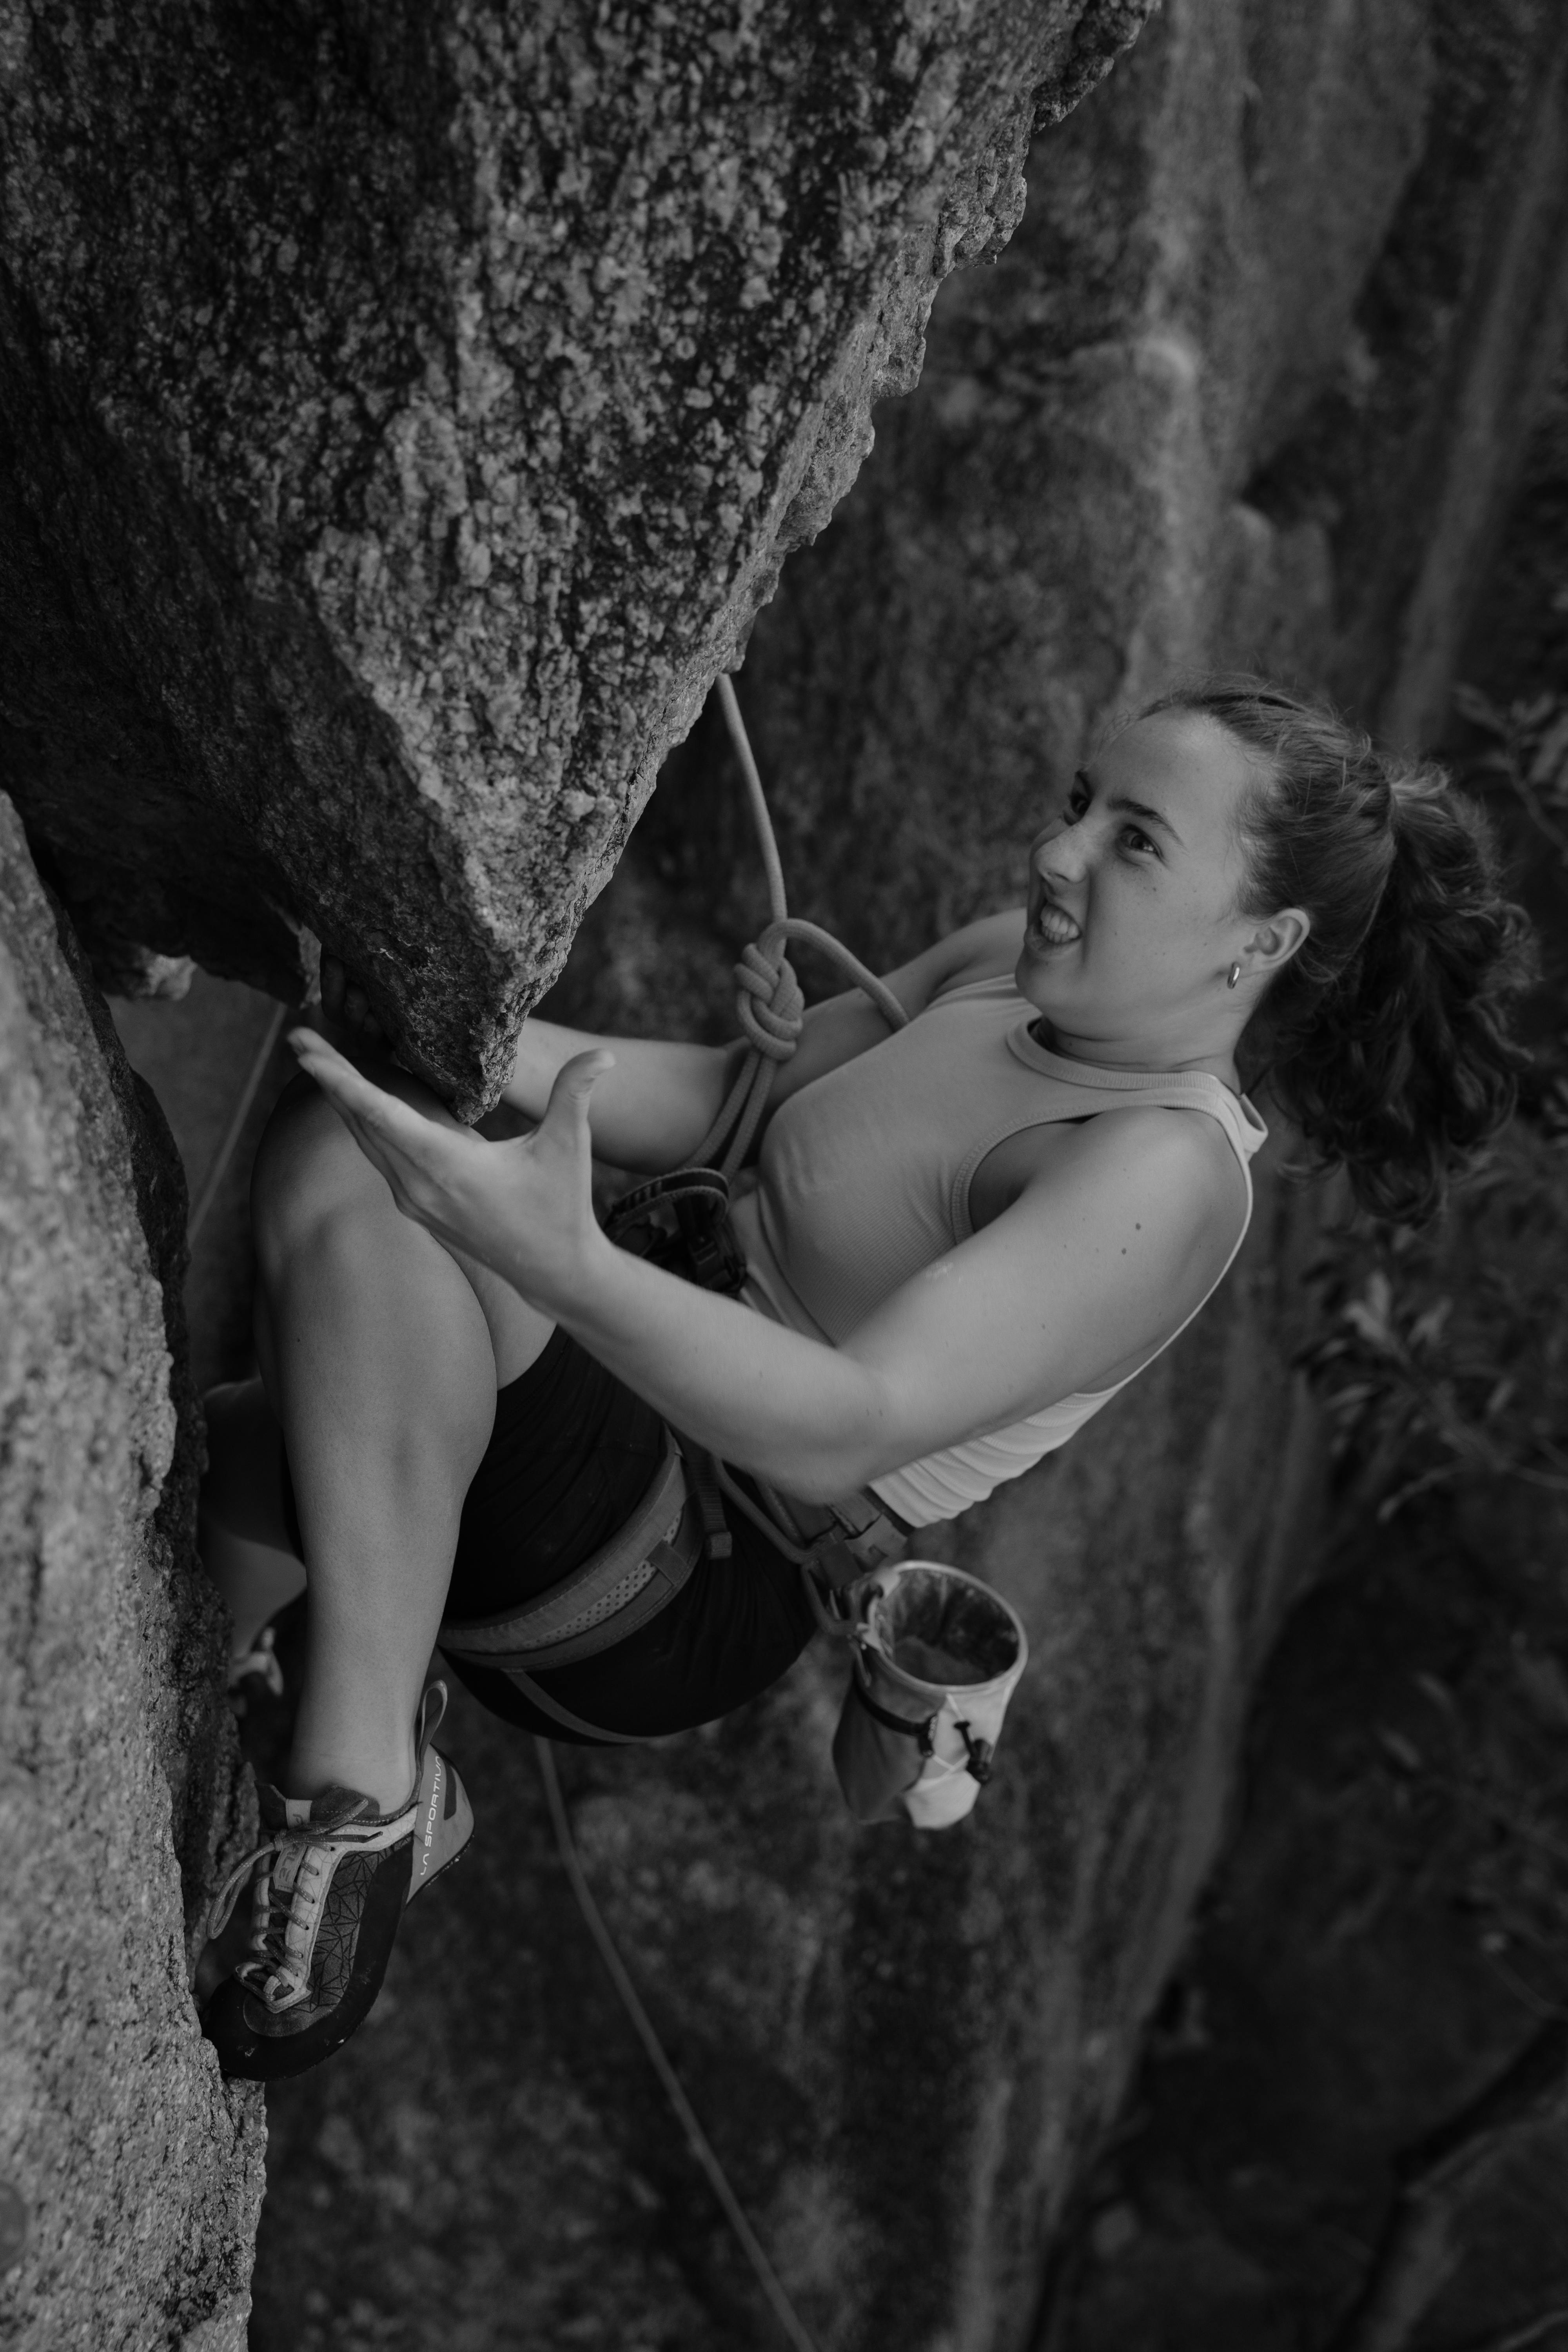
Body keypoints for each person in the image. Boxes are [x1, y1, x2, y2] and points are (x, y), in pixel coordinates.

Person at [196, 675, 1530, 2080]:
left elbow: (852, 1425)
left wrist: (561, 1260)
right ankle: (208, 1656)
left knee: (358, 1165)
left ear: (1267, 937)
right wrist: (448, 1028)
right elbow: (725, 1099)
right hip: (588, 1404)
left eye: (1138, 841)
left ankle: (362, 1800)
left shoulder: (1162, 1174)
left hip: (676, 1566)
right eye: (1083, 805)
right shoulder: (1009, 965)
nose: (1060, 854)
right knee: (328, 1253)